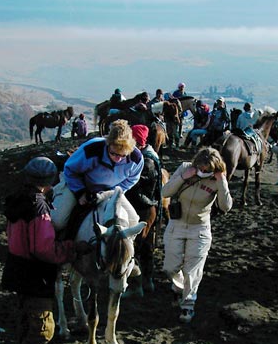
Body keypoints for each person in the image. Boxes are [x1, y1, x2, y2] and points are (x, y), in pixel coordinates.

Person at [2, 157, 87, 344]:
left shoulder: (18, 200)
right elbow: (44, 249)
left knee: (26, 320)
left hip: (17, 267)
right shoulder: (38, 206)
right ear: (50, 180)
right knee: (42, 328)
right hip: (35, 273)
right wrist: (71, 249)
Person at [161, 147, 232, 323]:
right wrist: (183, 177)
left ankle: (187, 306)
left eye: (207, 170)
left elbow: (226, 206)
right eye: (201, 168)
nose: (203, 171)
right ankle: (178, 288)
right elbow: (165, 192)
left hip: (199, 228)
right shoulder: (185, 168)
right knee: (170, 267)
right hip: (177, 224)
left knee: (192, 271)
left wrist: (222, 182)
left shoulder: (217, 178)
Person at [51, 119, 143, 232]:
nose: (118, 159)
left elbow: (131, 179)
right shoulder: (92, 149)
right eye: (113, 153)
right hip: (80, 184)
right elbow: (70, 170)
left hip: (111, 191)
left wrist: (112, 192)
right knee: (58, 221)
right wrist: (80, 192)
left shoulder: (136, 159)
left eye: (122, 155)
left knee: (134, 221)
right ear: (108, 144)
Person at [125, 125, 163, 294]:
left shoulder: (145, 161)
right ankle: (148, 281)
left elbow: (134, 185)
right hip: (148, 207)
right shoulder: (149, 156)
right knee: (146, 247)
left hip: (142, 209)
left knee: (136, 247)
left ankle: (137, 285)